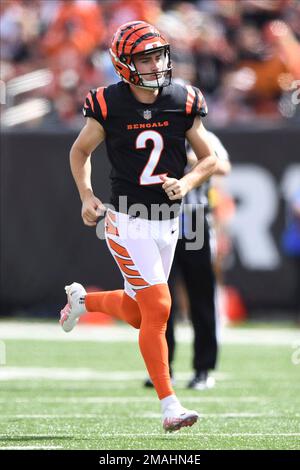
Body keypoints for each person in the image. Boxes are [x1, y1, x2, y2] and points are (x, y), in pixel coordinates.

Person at [59, 21, 217, 432]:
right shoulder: (108, 103)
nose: (155, 64)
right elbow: (80, 151)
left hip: (169, 222)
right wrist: (86, 195)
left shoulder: (183, 99)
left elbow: (209, 158)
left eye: (157, 54)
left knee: (136, 312)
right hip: (127, 220)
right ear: (124, 65)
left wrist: (186, 181)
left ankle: (83, 302)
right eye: (144, 58)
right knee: (160, 308)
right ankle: (170, 405)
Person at [144, 132, 231, 390]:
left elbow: (224, 166)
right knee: (160, 301)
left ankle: (203, 368)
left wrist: (196, 160)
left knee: (201, 298)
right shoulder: (156, 133)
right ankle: (162, 367)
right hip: (159, 220)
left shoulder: (203, 137)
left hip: (194, 222)